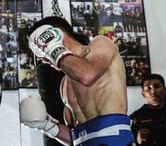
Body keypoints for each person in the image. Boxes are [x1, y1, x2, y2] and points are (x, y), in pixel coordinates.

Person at [19, 16, 135, 146]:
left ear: (53, 35)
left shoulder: (101, 44)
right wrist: (46, 125)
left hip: (115, 140)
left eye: (39, 47)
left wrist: (54, 49)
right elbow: (77, 137)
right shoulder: (64, 85)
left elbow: (87, 75)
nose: (40, 58)